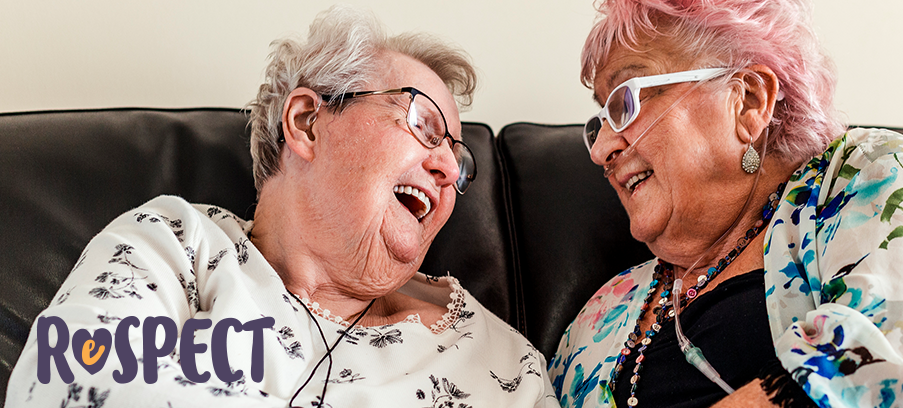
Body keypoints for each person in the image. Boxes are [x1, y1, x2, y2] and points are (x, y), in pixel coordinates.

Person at [6, 6, 555, 408]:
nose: (448, 169)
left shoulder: (505, 365)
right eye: (422, 125)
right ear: (306, 123)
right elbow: (64, 387)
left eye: (458, 160)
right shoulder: (173, 245)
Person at [547, 0, 903, 407]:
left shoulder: (868, 177)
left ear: (747, 101)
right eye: (600, 119)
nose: (600, 148)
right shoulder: (605, 313)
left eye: (625, 102)